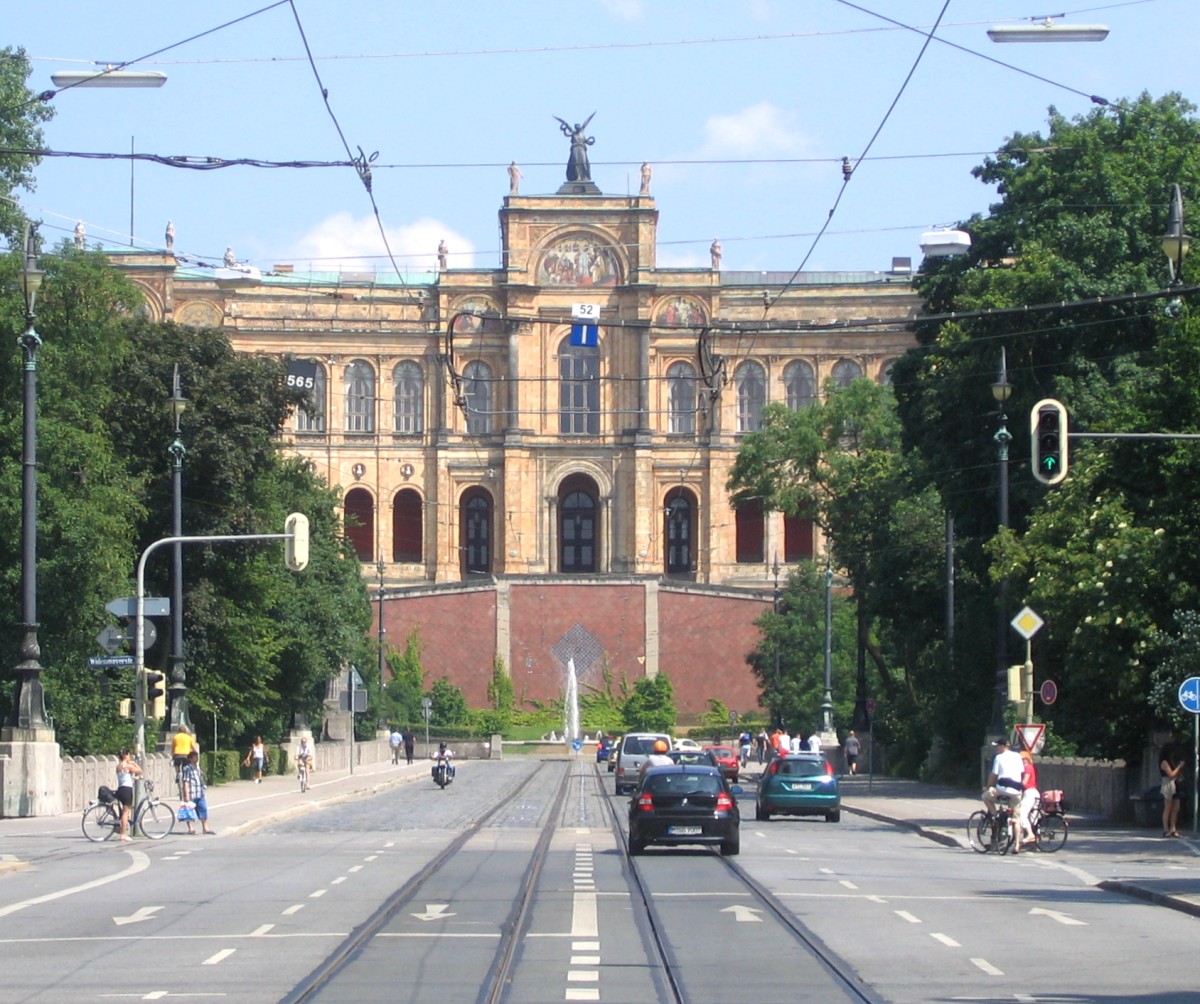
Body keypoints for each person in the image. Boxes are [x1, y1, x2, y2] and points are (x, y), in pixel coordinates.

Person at [983, 738, 1025, 848]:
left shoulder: (999, 757)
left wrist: (988, 787)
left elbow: (994, 775)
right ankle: (1016, 845)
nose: (996, 748)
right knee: (1016, 818)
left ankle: (996, 816)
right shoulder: (1017, 756)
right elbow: (1021, 772)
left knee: (985, 797)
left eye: (997, 746)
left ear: (1003, 746)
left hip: (1002, 788)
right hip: (1016, 790)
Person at [179, 750, 214, 835]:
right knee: (189, 812)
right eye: (195, 756)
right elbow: (185, 781)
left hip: (199, 793)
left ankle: (205, 828)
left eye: (197, 756)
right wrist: (186, 794)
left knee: (203, 810)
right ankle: (191, 828)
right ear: (190, 758)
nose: (197, 758)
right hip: (191, 793)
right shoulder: (187, 769)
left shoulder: (198, 767)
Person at [555, 113, 596, 183]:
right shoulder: (573, 133)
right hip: (575, 148)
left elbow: (586, 123)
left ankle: (584, 176)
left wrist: (591, 116)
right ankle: (578, 177)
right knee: (576, 163)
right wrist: (563, 126)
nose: (578, 128)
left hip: (582, 148)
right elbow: (566, 131)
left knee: (584, 163)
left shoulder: (582, 132)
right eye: (576, 127)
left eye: (579, 127)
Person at [115, 750, 142, 843]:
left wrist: (133, 778)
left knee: (123, 811)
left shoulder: (118, 766)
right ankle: (123, 834)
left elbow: (124, 777)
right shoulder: (128, 766)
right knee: (125, 812)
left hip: (120, 789)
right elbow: (140, 770)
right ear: (125, 756)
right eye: (129, 755)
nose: (130, 757)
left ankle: (121, 829)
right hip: (127, 790)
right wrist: (134, 763)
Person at [1161, 743, 1184, 837]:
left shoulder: (1171, 761)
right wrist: (1179, 767)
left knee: (1176, 807)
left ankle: (1173, 828)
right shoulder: (1164, 762)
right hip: (1168, 784)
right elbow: (1171, 774)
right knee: (1168, 807)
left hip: (1175, 783)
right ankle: (1166, 829)